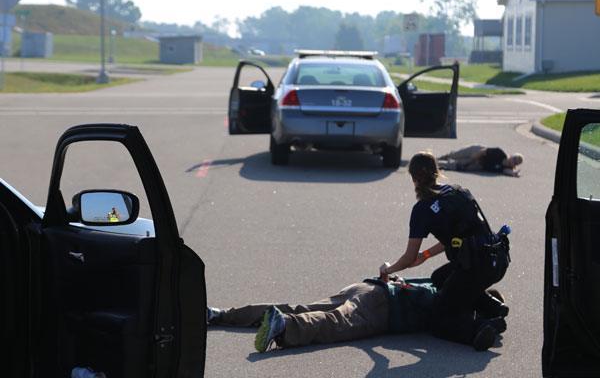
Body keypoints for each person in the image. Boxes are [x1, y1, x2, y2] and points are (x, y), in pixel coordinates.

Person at [379, 151, 510, 351]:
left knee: (439, 319)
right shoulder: (458, 191)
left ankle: (482, 327)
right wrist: (426, 256)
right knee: (439, 277)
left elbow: (408, 258)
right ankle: (493, 307)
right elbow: (458, 237)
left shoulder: (422, 209)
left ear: (414, 178)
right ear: (437, 172)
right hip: (496, 260)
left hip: (475, 268)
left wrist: (387, 270)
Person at [207, 276, 507, 353]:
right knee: (335, 323)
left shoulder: (443, 282)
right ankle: (285, 326)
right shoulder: (444, 297)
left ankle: (221, 314)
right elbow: (429, 301)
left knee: (303, 306)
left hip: (366, 287)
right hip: (381, 306)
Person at [437, 145, 523, 177]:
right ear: (511, 155)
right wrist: (471, 160)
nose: (514, 161)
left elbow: (507, 171)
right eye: (514, 158)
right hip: (477, 153)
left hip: (478, 165)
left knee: (453, 165)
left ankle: (433, 163)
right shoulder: (500, 153)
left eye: (516, 162)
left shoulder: (505, 167)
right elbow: (484, 151)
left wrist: (513, 174)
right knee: (454, 155)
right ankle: (437, 158)